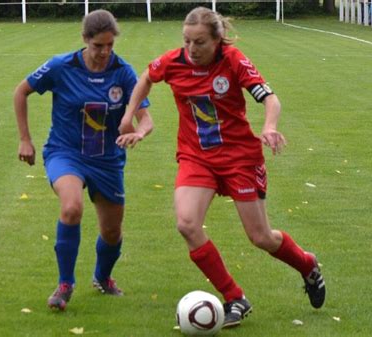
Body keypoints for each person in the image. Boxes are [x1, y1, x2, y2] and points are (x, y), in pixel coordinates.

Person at [118, 7, 325, 328]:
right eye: (187, 41)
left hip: (239, 157)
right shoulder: (173, 61)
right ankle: (235, 298)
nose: (192, 49)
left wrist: (269, 127)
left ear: (217, 40)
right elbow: (146, 76)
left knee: (260, 237)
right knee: (187, 224)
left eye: (199, 42)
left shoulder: (233, 60)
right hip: (196, 157)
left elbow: (270, 98)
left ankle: (307, 264)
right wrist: (129, 114)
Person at [14, 9, 153, 311]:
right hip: (66, 153)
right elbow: (21, 92)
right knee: (71, 207)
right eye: (98, 46)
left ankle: (102, 278)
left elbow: (146, 119)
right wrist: (25, 139)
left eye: (109, 46)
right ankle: (65, 284)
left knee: (112, 232)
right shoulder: (61, 66)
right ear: (85, 40)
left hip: (107, 160)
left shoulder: (123, 73)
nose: (104, 52)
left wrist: (139, 134)